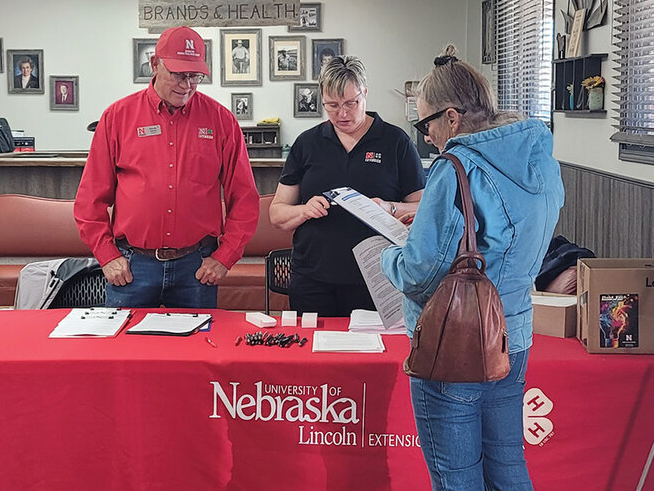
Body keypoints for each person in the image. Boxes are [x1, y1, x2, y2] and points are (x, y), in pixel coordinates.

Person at [381, 46, 563, 489]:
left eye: (425, 124)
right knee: (507, 467)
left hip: (455, 346)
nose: (425, 136)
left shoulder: (456, 166)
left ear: (452, 118)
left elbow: (420, 272)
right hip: (514, 334)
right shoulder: (537, 158)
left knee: (456, 477)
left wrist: (389, 254)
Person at [74, 26, 260, 308]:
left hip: (196, 268)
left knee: (197, 350)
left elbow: (245, 198)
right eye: (177, 74)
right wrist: (107, 255)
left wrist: (225, 257)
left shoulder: (221, 121)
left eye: (194, 76)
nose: (186, 85)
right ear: (154, 64)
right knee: (123, 351)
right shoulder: (117, 118)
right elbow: (90, 200)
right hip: (132, 268)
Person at [270, 56, 425, 317]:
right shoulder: (307, 144)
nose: (342, 114)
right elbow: (276, 214)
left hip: (378, 278)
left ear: (365, 92)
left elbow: (423, 208)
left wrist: (389, 208)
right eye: (332, 105)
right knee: (313, 356)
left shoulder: (396, 142)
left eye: (351, 103)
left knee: (372, 354)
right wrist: (304, 210)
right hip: (313, 279)